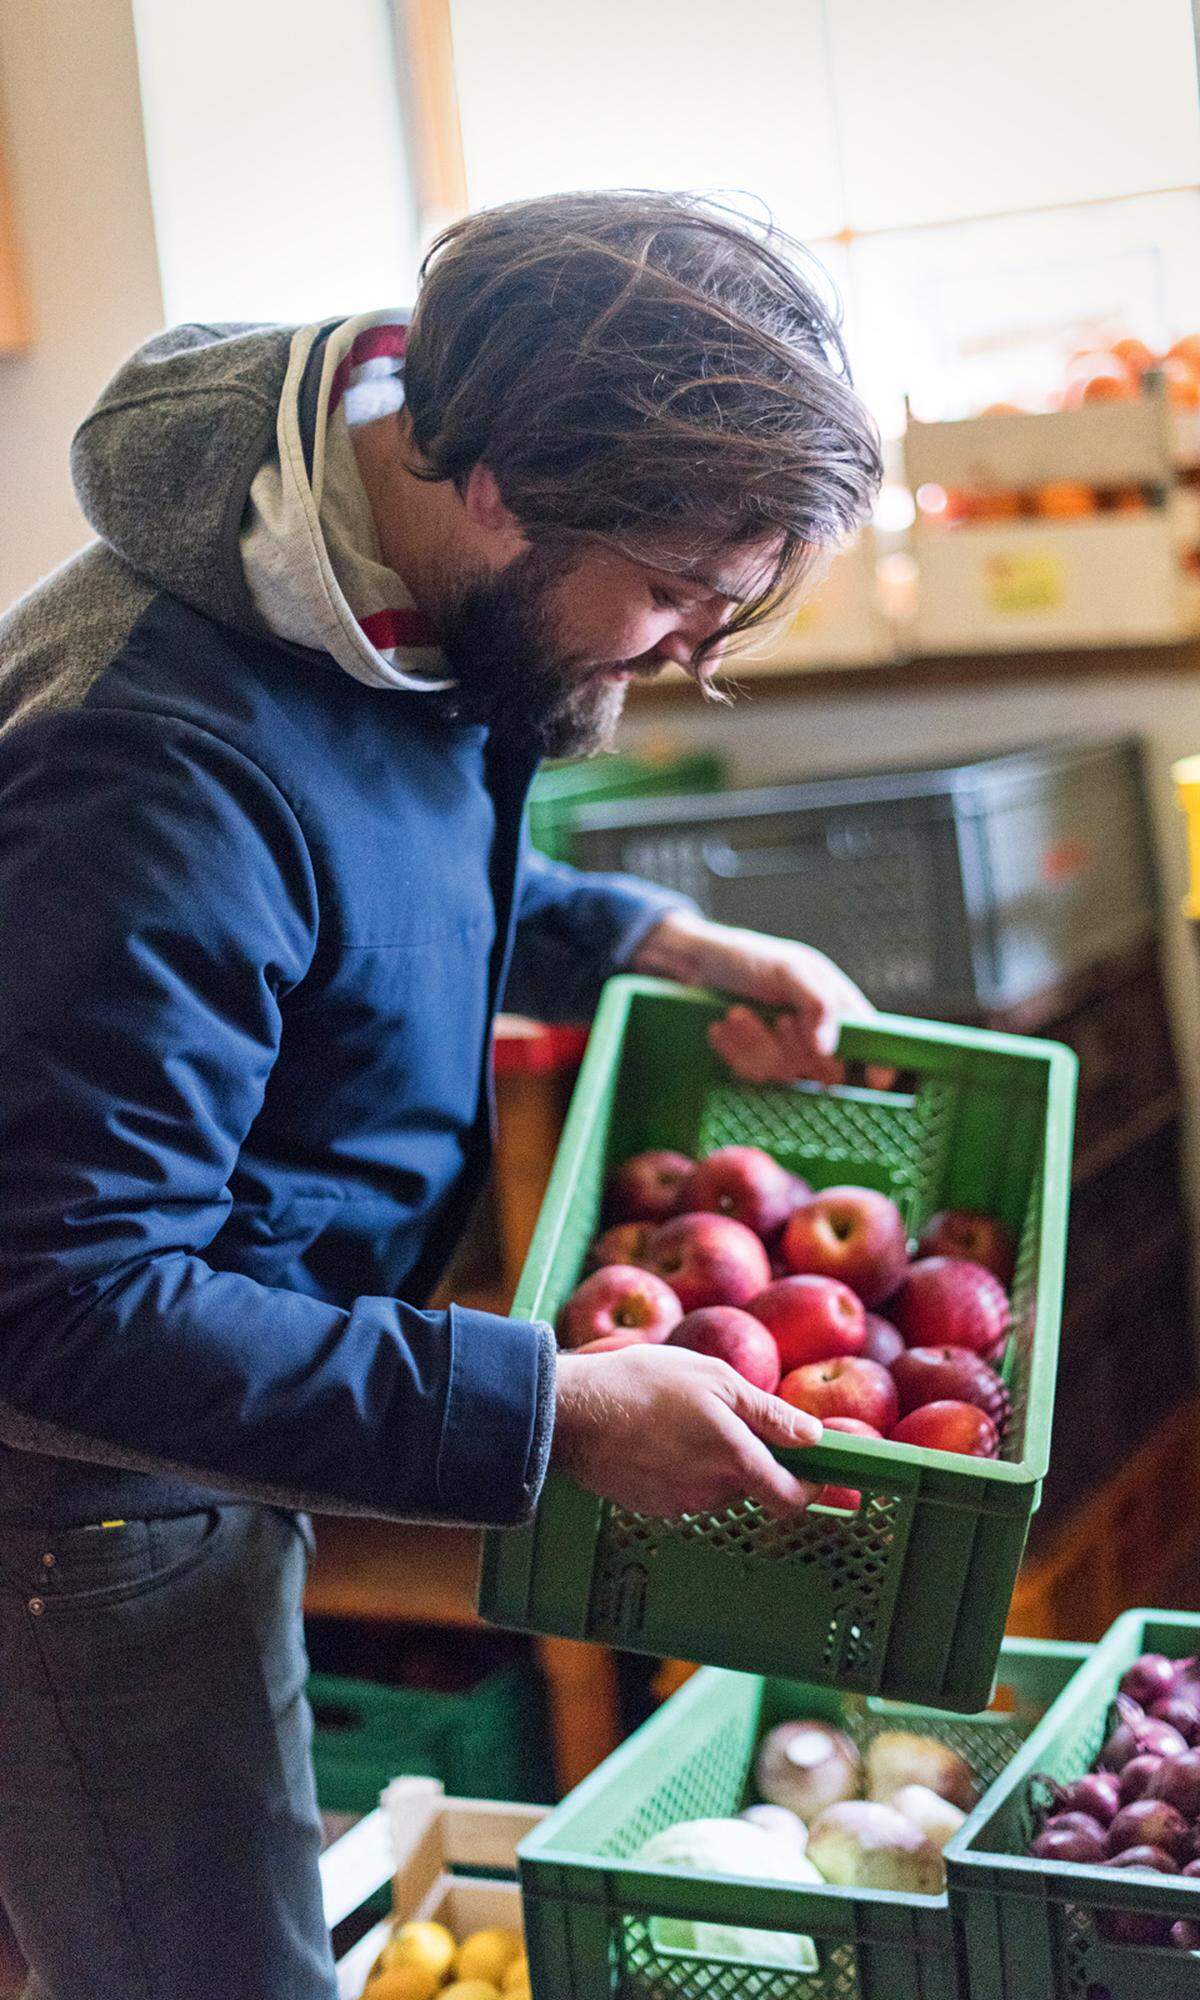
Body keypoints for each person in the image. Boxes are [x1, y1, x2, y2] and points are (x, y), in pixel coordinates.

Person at [0, 191, 882, 1998]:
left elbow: (353, 899)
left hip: (239, 1389)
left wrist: (652, 937)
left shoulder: (402, 574)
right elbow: (57, 1306)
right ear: (496, 488)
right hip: (80, 1493)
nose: (679, 661)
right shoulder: (142, 767)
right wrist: (539, 1406)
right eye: (669, 597)